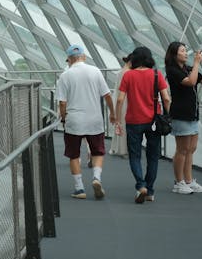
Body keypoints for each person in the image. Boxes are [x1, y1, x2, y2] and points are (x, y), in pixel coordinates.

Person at [55, 45, 115, 200]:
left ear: (69, 59)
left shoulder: (65, 75)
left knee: (73, 155)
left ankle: (79, 188)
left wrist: (63, 117)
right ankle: (96, 178)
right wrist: (113, 113)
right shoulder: (95, 71)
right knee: (98, 151)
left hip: (74, 120)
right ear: (84, 57)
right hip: (94, 119)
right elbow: (107, 95)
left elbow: (62, 102)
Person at [116, 46, 170, 203]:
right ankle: (150, 191)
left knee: (135, 155)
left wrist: (117, 119)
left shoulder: (128, 75)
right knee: (153, 157)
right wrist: (168, 115)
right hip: (154, 121)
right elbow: (166, 98)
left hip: (133, 120)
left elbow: (120, 99)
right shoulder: (156, 74)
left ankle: (141, 186)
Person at [164, 42, 202, 194]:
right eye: (183, 51)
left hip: (192, 113)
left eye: (186, 51)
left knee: (191, 149)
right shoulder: (172, 71)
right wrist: (197, 63)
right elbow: (190, 82)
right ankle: (179, 182)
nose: (186, 54)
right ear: (174, 54)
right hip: (181, 114)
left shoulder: (188, 69)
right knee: (182, 149)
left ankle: (189, 181)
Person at [108, 55, 132, 158]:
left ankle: (119, 147)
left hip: (120, 99)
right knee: (124, 124)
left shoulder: (121, 71)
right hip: (125, 100)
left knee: (120, 123)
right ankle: (124, 149)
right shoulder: (128, 73)